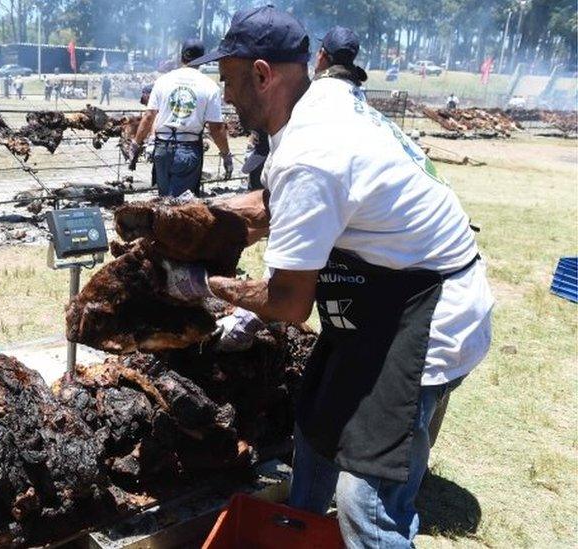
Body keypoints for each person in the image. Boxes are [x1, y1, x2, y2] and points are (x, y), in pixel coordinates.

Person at [172, 7, 494, 546]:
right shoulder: (324, 98)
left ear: (261, 74)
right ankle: (301, 534)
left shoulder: (311, 151)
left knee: (366, 500)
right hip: (379, 300)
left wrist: (204, 287)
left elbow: (289, 303)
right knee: (316, 431)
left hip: (428, 315)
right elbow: (282, 204)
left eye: (227, 81)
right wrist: (203, 223)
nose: (224, 96)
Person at [128, 38, 232, 197]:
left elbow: (149, 116)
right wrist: (226, 154)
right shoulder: (210, 86)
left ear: (181, 56)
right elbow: (216, 128)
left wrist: (136, 144)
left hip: (162, 150)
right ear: (203, 59)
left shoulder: (163, 81)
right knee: (180, 207)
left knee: (165, 200)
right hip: (188, 150)